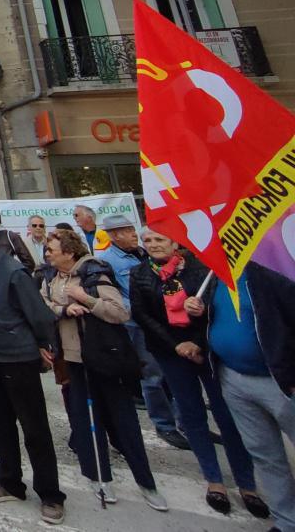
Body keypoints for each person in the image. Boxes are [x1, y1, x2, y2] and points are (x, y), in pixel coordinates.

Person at [130, 229, 267, 518]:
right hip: (171, 353)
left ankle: (247, 483)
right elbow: (143, 315)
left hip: (205, 350)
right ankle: (214, 480)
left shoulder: (202, 268)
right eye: (149, 240)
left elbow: (217, 311)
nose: (153, 245)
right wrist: (176, 344)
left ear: (175, 243)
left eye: (160, 239)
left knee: (227, 416)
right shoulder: (140, 273)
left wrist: (198, 331)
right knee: (192, 415)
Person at [40, 227, 167, 510]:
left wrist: (84, 298)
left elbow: (119, 312)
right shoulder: (51, 276)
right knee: (86, 421)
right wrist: (63, 309)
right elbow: (43, 304)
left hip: (103, 356)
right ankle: (99, 477)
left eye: (52, 249)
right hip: (73, 359)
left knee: (123, 421)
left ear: (69, 252)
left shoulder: (94, 273)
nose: (47, 253)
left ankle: (146, 482)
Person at [0, 216, 65, 525]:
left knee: (34, 427)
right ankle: (9, 481)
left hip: (16, 359)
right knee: (1, 423)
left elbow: (38, 314)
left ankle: (50, 494)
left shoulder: (12, 272)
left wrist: (46, 345)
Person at [187, 261, 295, 532]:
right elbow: (219, 319)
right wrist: (198, 312)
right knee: (265, 454)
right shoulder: (215, 274)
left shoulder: (275, 271)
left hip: (279, 382)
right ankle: (286, 521)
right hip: (233, 379)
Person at [98, 213, 186, 449]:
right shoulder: (107, 261)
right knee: (153, 376)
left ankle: (185, 421)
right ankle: (164, 424)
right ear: (115, 235)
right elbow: (115, 296)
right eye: (127, 230)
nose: (134, 234)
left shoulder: (142, 253)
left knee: (174, 373)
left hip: (164, 321)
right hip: (137, 325)